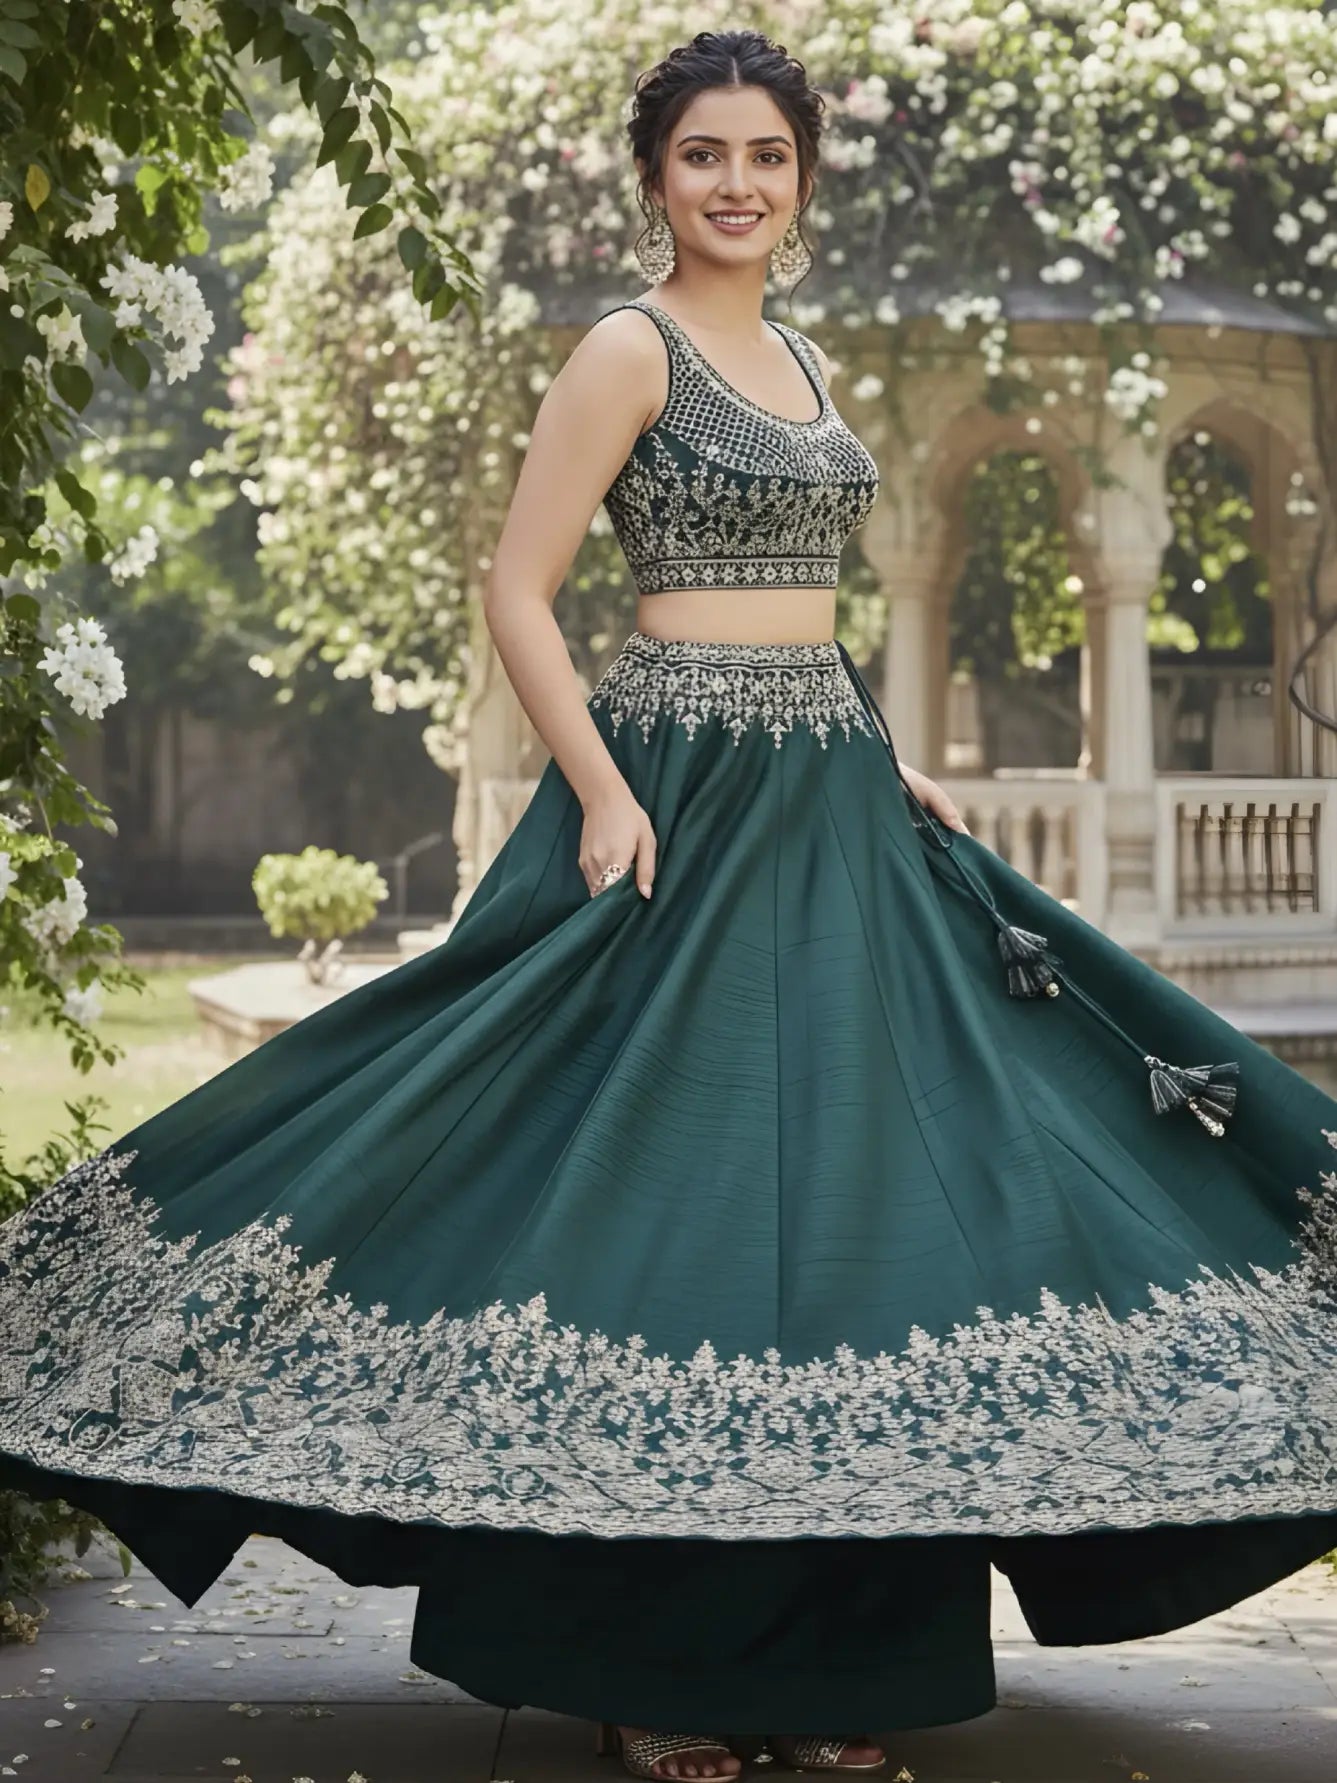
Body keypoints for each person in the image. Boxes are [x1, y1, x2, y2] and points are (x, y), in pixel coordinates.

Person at [3, 24, 1337, 1783]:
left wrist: (886, 759)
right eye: (703, 153)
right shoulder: (627, 347)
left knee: (867, 1209)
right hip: (675, 803)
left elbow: (810, 607)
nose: (736, 183)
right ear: (654, 177)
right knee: (664, 1210)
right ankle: (650, 1667)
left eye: (766, 155)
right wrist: (610, 791)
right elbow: (520, 587)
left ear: (803, 178)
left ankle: (840, 1671)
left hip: (826, 802)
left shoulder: (803, 357)